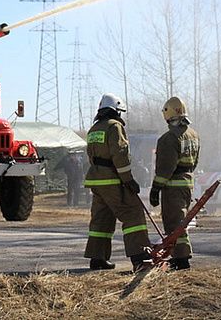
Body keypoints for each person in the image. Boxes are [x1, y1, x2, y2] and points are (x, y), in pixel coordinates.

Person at [83, 93, 151, 272]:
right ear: (115, 111)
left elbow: (91, 156)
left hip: (97, 181)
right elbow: (120, 155)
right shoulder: (114, 127)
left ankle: (97, 258)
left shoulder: (94, 129)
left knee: (101, 218)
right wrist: (129, 180)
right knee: (132, 213)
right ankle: (140, 257)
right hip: (112, 180)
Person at [149, 96, 200, 270]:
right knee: (181, 221)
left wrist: (155, 189)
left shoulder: (168, 138)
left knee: (174, 223)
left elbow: (165, 168)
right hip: (188, 184)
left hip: (173, 187)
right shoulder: (193, 135)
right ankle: (180, 255)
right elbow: (195, 162)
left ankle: (181, 258)